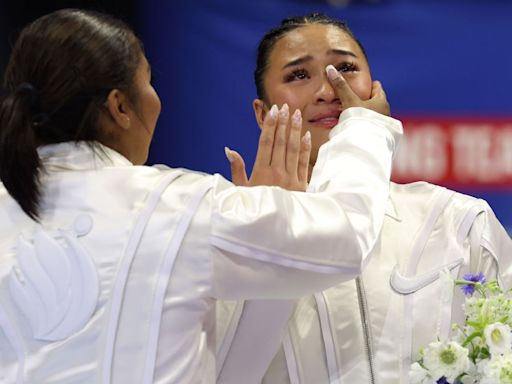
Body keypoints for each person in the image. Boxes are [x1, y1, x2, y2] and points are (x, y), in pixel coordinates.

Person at [0, 9, 402, 384]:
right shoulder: (178, 207)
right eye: (148, 82)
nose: (326, 90)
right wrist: (365, 127)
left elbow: (233, 368)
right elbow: (347, 236)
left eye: (345, 67)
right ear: (120, 106)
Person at [216, 13, 512, 384]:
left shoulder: (458, 222)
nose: (328, 90)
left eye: (344, 67)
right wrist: (258, 243)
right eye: (298, 75)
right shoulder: (225, 236)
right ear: (262, 114)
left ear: (374, 90)